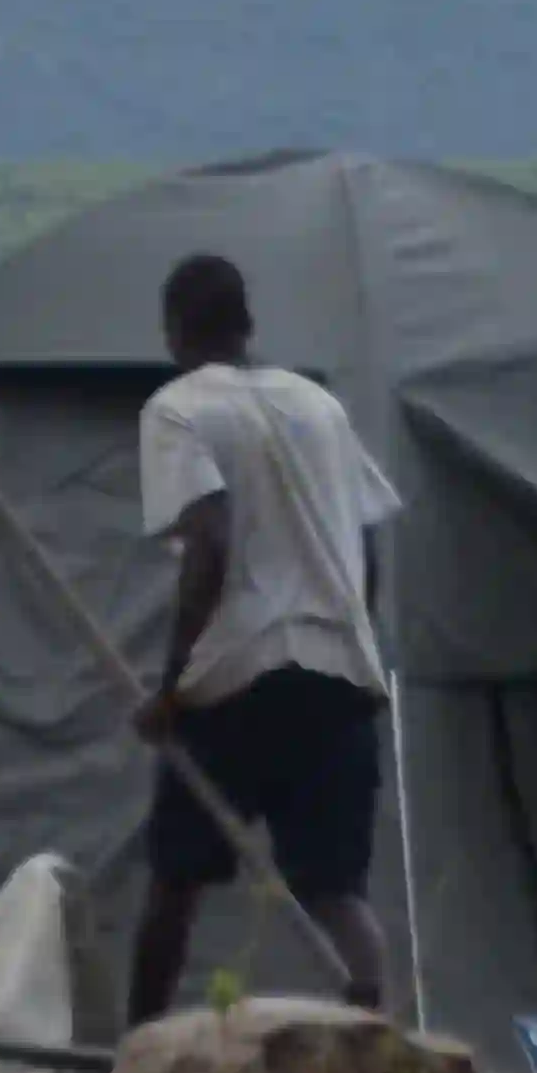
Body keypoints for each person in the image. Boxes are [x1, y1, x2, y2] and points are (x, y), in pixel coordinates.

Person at [126, 252, 408, 1023]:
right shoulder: (319, 407)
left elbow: (209, 550)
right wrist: (357, 647)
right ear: (248, 325)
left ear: (175, 332)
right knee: (338, 893)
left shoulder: (179, 410)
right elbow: (366, 548)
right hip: (341, 674)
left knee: (175, 884)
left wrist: (174, 689)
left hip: (240, 677)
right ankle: (380, 1057)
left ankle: (134, 1060)